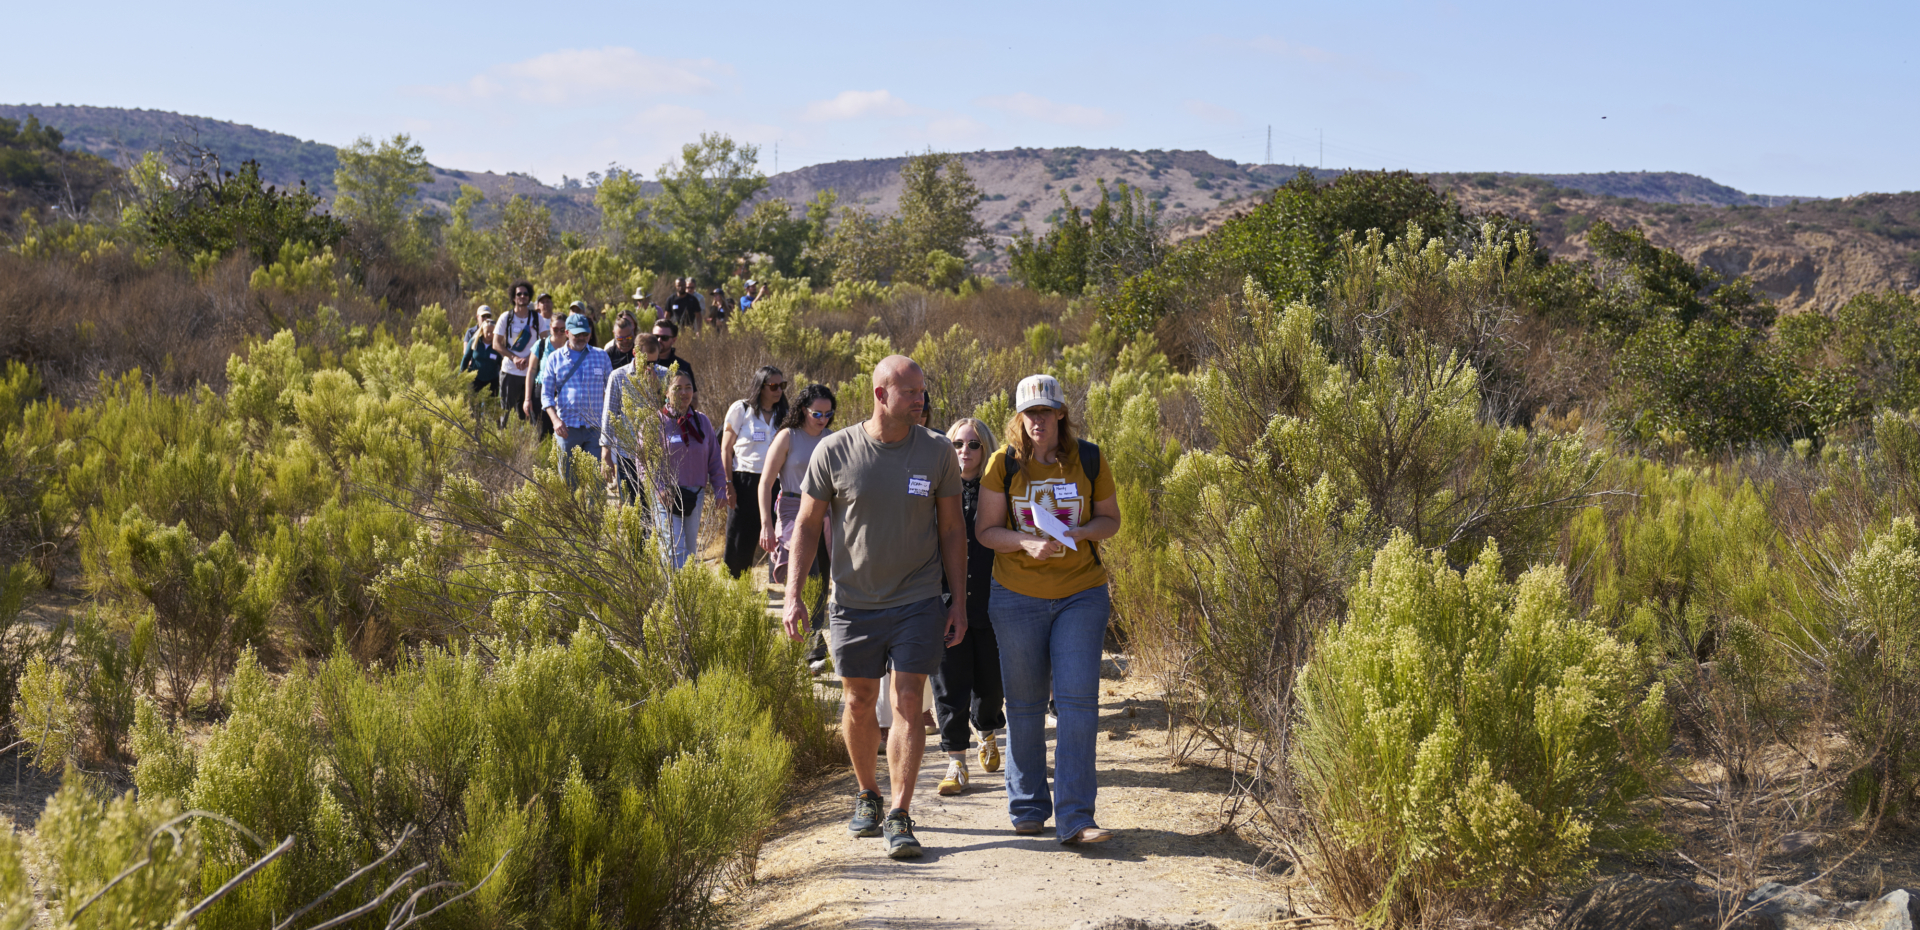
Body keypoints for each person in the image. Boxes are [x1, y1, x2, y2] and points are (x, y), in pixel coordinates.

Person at [781, 355, 967, 860]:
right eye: (910, 392)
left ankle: (901, 814)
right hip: (853, 602)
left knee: (909, 701)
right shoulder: (835, 451)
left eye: (922, 392)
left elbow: (953, 530)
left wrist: (959, 602)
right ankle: (868, 794)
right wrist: (794, 596)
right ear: (881, 395)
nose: (920, 400)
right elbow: (804, 525)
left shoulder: (936, 452)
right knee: (859, 702)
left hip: (918, 598)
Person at [975, 374, 1122, 847]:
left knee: (1078, 704)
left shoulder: (1090, 459)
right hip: (1016, 594)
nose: (1038, 421)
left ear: (1061, 413)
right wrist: (1026, 542)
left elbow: (1110, 520)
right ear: (1020, 418)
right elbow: (986, 531)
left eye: (1046, 412)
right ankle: (1028, 805)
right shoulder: (1004, 463)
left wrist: (1077, 534)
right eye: (1029, 414)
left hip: (1081, 593)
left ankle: (1076, 818)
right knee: (1024, 703)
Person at [932, 416, 1006, 797]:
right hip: (945, 601)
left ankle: (988, 730)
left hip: (993, 602)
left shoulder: (1001, 489)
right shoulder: (935, 489)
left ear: (986, 449)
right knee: (949, 685)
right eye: (958, 444)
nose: (965, 451)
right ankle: (956, 763)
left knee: (991, 686)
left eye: (974, 444)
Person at [759, 383, 835, 671]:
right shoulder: (787, 437)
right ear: (803, 409)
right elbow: (765, 483)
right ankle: (812, 649)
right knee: (807, 573)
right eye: (817, 412)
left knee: (825, 577)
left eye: (828, 413)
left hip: (826, 511)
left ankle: (810, 645)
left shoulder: (832, 439)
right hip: (793, 508)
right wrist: (767, 524)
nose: (823, 418)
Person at [655, 370, 727, 568]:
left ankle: (685, 597)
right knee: (673, 549)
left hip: (695, 494)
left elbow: (714, 457)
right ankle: (671, 595)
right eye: (677, 388)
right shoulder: (655, 422)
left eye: (688, 388)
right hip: (667, 496)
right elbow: (644, 463)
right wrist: (660, 489)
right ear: (666, 392)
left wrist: (720, 488)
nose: (684, 393)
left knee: (689, 551)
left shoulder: (701, 421)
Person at [721, 367, 788, 579]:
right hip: (744, 480)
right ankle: (736, 586)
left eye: (782, 386)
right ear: (761, 387)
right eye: (774, 386)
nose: (779, 390)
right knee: (740, 537)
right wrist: (728, 484)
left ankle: (778, 581)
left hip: (777, 482)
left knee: (778, 534)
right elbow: (726, 448)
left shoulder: (784, 414)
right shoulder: (741, 409)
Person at [537, 311, 614, 489]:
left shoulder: (601, 356)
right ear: (566, 333)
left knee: (597, 484)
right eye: (577, 334)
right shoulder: (554, 358)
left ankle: (593, 517)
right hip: (566, 429)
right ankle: (571, 517)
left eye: (585, 334)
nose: (581, 338)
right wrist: (555, 421)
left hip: (595, 429)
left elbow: (611, 393)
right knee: (568, 485)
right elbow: (546, 395)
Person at [600, 335, 670, 507]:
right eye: (646, 363)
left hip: (657, 454)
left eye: (653, 363)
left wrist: (658, 390)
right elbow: (609, 415)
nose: (650, 368)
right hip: (628, 453)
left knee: (657, 508)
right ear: (635, 354)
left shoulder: (665, 374)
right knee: (633, 506)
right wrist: (606, 453)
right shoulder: (618, 376)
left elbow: (671, 414)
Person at [490, 281, 547, 427]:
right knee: (505, 412)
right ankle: (503, 444)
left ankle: (531, 445)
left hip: (531, 372)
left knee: (531, 414)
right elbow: (496, 344)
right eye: (519, 294)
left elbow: (545, 341)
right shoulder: (506, 317)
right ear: (513, 298)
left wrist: (530, 359)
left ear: (529, 297)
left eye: (525, 294)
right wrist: (514, 358)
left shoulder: (537, 318)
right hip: (510, 371)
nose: (522, 296)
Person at [524, 309, 571, 441]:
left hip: (565, 395)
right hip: (541, 392)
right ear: (550, 328)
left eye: (563, 329)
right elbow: (531, 371)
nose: (559, 332)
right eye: (556, 329)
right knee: (541, 435)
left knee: (563, 434)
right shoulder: (541, 345)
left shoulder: (572, 347)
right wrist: (527, 399)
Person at [459, 306, 502, 397]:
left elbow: (501, 363)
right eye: (487, 332)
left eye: (492, 332)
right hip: (475, 378)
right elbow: (466, 357)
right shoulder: (473, 339)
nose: (489, 334)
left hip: (492, 380)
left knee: (490, 406)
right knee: (474, 405)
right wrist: (461, 374)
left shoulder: (498, 345)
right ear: (482, 331)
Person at [651, 320, 695, 389]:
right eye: (655, 337)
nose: (659, 340)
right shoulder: (641, 363)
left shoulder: (683, 367)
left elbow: (693, 397)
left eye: (664, 337)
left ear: (674, 340)